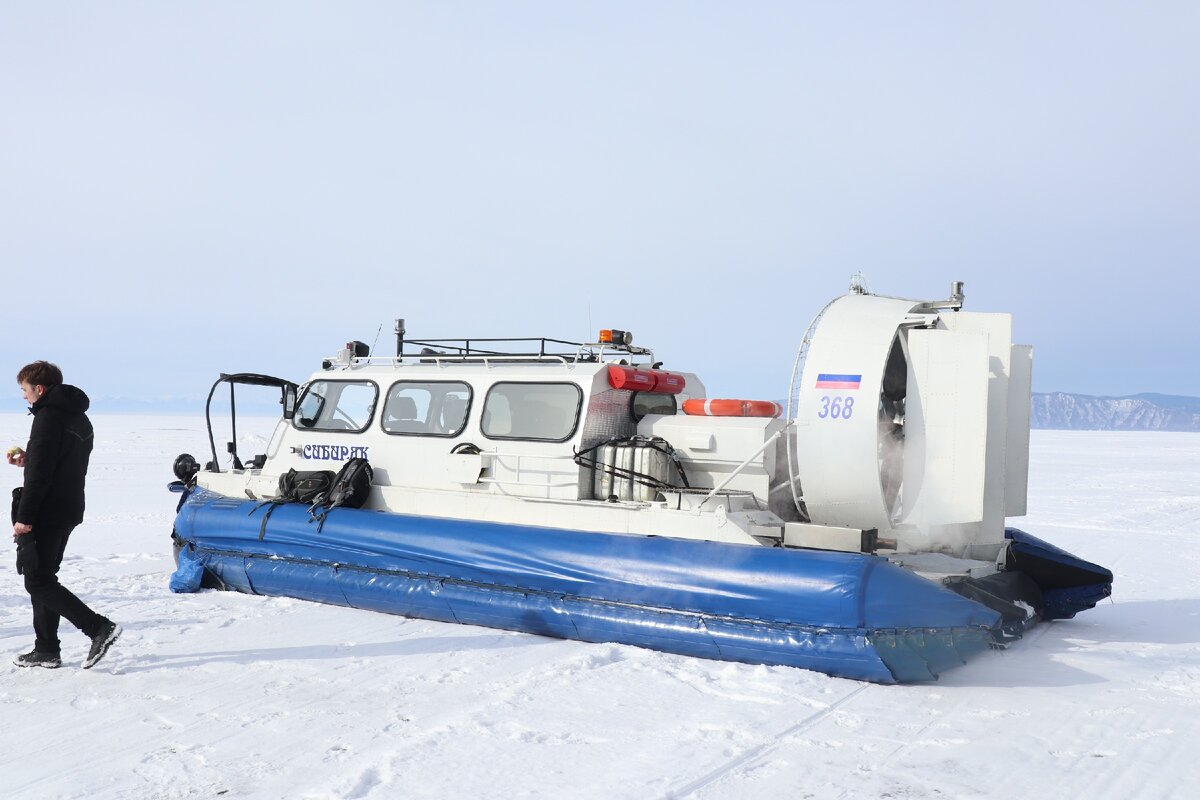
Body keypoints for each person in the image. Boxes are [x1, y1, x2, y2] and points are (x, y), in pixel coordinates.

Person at [8, 361, 120, 669]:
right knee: (43, 575)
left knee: (37, 581)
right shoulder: (80, 418)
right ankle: (46, 648)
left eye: (25, 390)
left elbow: (41, 476)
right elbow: (60, 462)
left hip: (46, 510)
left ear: (39, 389)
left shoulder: (47, 419)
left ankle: (98, 628)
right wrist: (29, 460)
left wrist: (25, 517)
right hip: (69, 507)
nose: (24, 397)